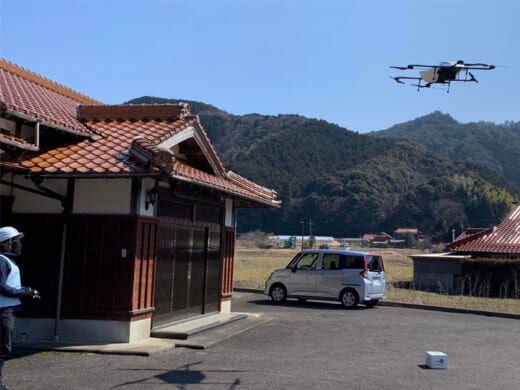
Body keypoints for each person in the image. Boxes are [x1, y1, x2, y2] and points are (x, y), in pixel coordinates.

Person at [0, 226, 39, 390]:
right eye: (16, 241)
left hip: (7, 309)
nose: (19, 244)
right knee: (3, 348)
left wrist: (26, 291)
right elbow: (1, 287)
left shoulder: (8, 260)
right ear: (6, 242)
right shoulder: (2, 260)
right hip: (2, 311)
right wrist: (23, 292)